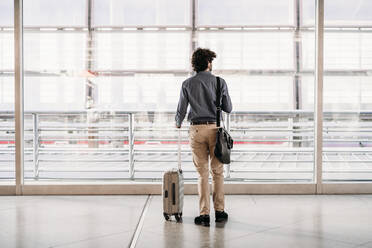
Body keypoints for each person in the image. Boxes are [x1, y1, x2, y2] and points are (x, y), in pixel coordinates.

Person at [175, 48, 233, 227]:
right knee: (218, 173)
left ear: (194, 64)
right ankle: (220, 212)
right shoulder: (219, 82)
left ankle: (204, 214)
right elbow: (228, 108)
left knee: (202, 174)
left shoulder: (187, 83)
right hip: (215, 130)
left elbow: (181, 110)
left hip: (197, 130)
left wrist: (178, 122)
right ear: (209, 63)